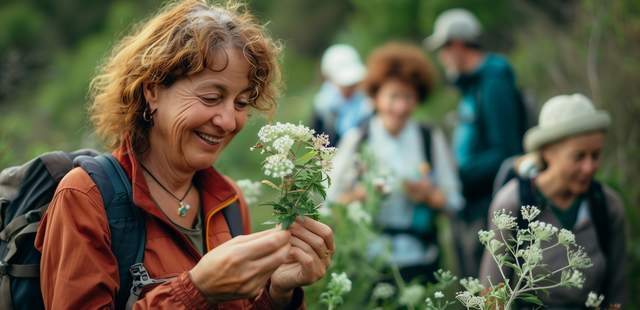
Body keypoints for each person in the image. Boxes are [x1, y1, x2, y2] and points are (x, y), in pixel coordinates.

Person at [34, 1, 334, 308]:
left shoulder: (228, 201)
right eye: (211, 97)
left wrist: (278, 295)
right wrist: (196, 290)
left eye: (241, 103)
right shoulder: (86, 198)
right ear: (152, 91)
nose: (229, 121)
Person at [328, 42, 463, 282]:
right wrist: (362, 194)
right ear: (376, 96)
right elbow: (331, 201)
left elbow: (452, 201)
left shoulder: (429, 137)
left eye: (408, 97)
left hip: (423, 258)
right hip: (370, 263)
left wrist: (429, 195)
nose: (400, 107)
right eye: (393, 96)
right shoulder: (358, 139)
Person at [479, 94, 627, 308]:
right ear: (548, 153)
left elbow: (618, 292)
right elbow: (491, 296)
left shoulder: (606, 206)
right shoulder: (512, 204)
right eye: (579, 156)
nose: (589, 167)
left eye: (595, 155)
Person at [424, 8, 526, 277]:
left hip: (488, 207)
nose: (442, 57)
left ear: (457, 45)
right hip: (471, 207)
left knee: (487, 289)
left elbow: (507, 152)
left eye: (443, 49)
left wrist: (456, 175)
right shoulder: (473, 85)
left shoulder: (494, 83)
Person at [311, 44, 373, 146]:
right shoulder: (323, 106)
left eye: (353, 84)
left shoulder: (367, 105)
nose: (350, 88)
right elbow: (316, 142)